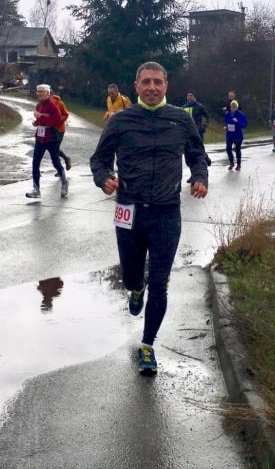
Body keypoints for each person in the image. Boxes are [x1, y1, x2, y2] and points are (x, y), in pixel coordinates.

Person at [90, 61, 208, 375]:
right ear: (137, 86)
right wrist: (104, 179)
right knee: (131, 276)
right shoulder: (121, 121)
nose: (152, 87)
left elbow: (197, 155)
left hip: (166, 211)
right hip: (128, 209)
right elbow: (99, 160)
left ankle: (147, 345)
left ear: (166, 85)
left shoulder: (181, 120)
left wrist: (200, 177)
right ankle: (135, 288)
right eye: (146, 82)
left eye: (158, 82)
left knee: (160, 282)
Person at [26, 84, 68, 199]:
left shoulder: (52, 106)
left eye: (42, 91)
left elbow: (57, 121)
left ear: (48, 94)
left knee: (56, 162)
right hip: (40, 138)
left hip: (51, 138)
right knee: (35, 163)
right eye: (38, 91)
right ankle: (36, 189)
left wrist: (41, 116)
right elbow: (40, 119)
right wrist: (36, 122)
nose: (39, 93)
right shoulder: (38, 105)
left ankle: (64, 183)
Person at [182, 91, 212, 166]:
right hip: (188, 131)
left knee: (199, 147)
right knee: (189, 148)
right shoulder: (184, 107)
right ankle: (194, 163)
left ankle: (205, 160)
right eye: (188, 96)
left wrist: (204, 126)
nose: (189, 97)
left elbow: (208, 117)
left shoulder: (199, 106)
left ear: (194, 97)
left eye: (191, 95)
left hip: (198, 130)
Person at [51, 93, 73, 174]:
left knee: (55, 149)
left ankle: (61, 168)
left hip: (59, 130)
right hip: (50, 130)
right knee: (53, 149)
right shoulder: (44, 103)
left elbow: (66, 114)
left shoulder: (59, 103)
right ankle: (66, 160)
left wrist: (59, 120)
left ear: (50, 94)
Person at [224, 100, 248, 170]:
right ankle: (231, 163)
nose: (232, 107)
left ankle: (239, 164)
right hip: (230, 134)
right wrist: (226, 127)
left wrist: (237, 122)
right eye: (231, 106)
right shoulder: (228, 114)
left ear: (237, 107)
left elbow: (244, 124)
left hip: (238, 135)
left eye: (234, 106)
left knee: (237, 149)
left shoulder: (240, 114)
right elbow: (226, 122)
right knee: (228, 149)